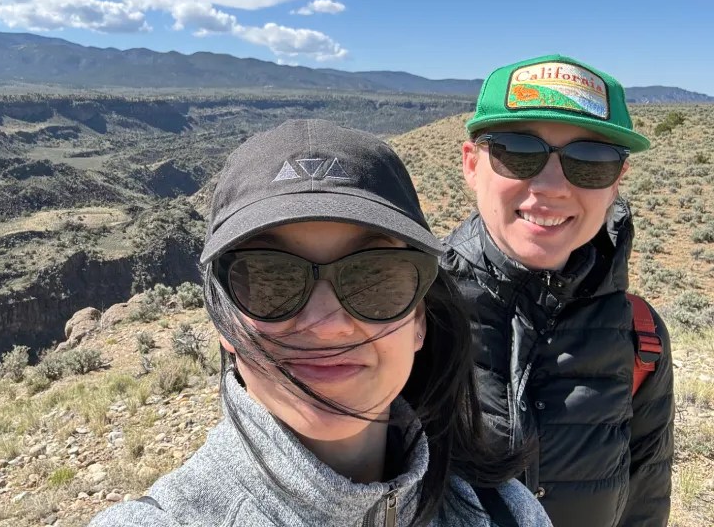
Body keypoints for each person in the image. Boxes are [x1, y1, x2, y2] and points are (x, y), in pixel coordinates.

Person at [91, 119, 551, 527]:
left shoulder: (507, 511)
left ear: (420, 319)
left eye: (375, 278)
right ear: (223, 320)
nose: (326, 324)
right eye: (270, 279)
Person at [442, 54, 674, 527]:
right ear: (471, 165)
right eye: (517, 151)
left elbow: (644, 506)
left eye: (590, 162)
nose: (551, 186)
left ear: (616, 183)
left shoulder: (640, 336)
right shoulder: (407, 307)